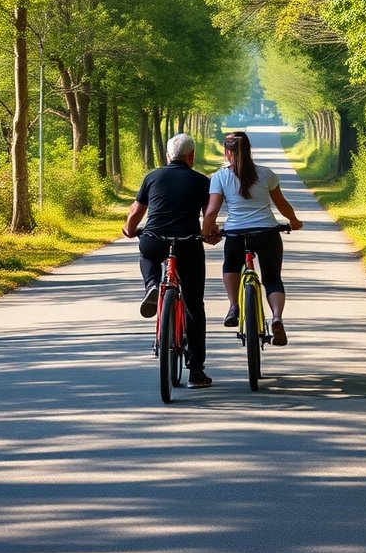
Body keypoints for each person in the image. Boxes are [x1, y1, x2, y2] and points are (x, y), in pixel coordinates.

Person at [123, 133, 212, 389]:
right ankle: (196, 371)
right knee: (194, 304)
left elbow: (136, 211)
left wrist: (130, 229)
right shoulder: (201, 181)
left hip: (155, 238)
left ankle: (151, 284)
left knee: (147, 254)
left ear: (167, 156)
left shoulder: (152, 177)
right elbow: (208, 217)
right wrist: (208, 233)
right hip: (187, 243)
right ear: (191, 156)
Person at [202, 131, 303, 346]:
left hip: (236, 234)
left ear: (226, 152)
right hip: (267, 233)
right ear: (249, 149)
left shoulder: (220, 177)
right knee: (272, 279)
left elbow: (211, 212)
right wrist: (294, 221)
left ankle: (233, 307)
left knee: (230, 266)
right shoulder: (266, 174)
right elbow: (282, 204)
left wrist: (206, 232)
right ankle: (276, 318)